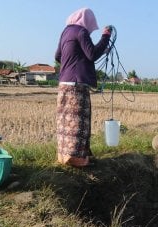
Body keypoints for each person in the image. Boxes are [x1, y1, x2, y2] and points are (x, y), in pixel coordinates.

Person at [55, 8, 111, 167]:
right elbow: (92, 54)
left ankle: (64, 156)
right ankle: (78, 159)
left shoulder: (66, 31)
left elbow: (58, 56)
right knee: (78, 122)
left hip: (64, 84)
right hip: (77, 85)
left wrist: (74, 61)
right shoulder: (81, 31)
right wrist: (106, 37)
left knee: (65, 121)